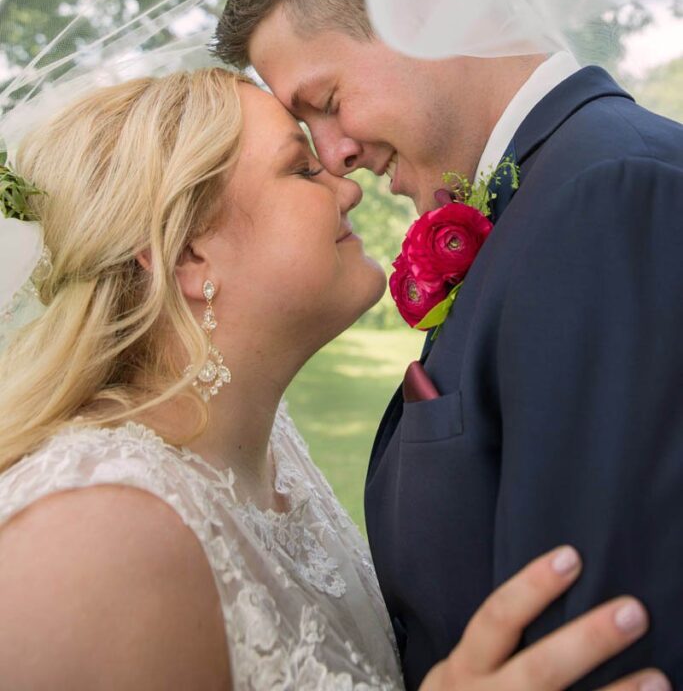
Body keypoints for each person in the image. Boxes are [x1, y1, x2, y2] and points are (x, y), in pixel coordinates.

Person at [0, 68, 665, 690]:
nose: (346, 186)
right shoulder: (93, 538)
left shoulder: (269, 455)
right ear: (188, 253)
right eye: (299, 168)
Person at [216, 0, 683, 690]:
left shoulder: (605, 193)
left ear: (421, 6)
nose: (334, 157)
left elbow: (613, 646)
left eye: (326, 104)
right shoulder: (550, 190)